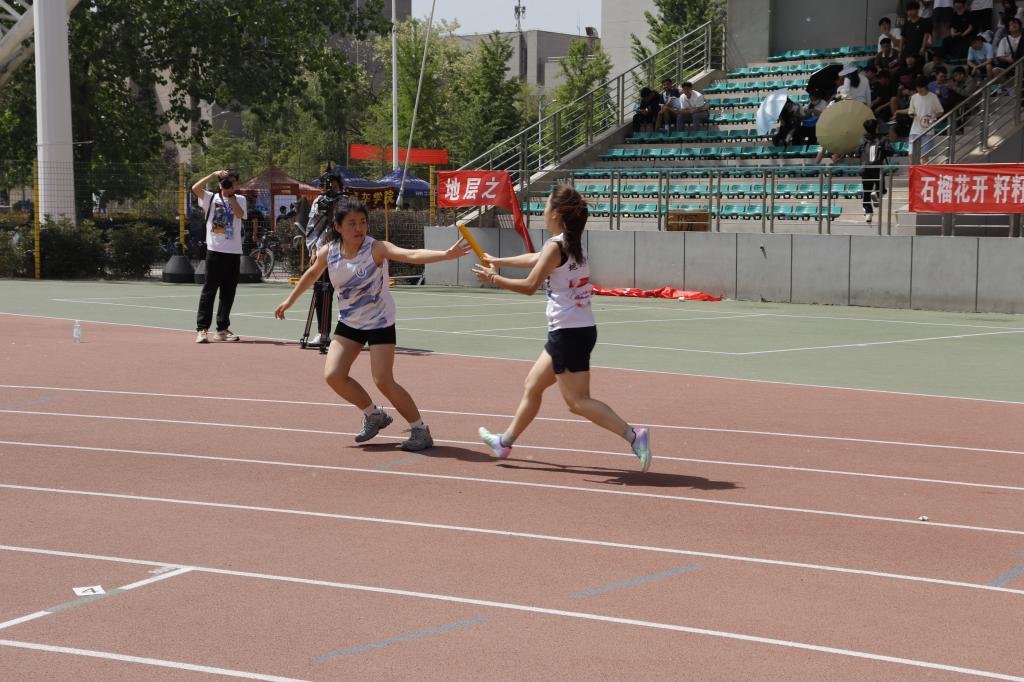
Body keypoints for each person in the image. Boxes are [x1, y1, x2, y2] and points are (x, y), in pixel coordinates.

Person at [471, 184, 651, 473]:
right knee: (533, 385)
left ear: (555, 213)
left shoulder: (558, 246)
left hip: (568, 333)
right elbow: (536, 259)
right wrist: (499, 261)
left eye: (545, 206)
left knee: (578, 402)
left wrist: (494, 278)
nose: (542, 211)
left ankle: (634, 436)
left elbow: (530, 285)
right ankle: (504, 442)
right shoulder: (570, 243)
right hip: (576, 329)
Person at [274, 198, 471, 451]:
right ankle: (373, 414)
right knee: (334, 376)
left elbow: (410, 255)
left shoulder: (375, 248)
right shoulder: (329, 252)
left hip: (379, 321)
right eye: (352, 223)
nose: (359, 228)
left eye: (363, 222)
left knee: (383, 380)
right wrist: (289, 301)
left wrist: (445, 255)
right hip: (350, 322)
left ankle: (420, 429)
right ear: (338, 227)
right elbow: (312, 273)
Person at [192, 169, 247, 344]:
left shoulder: (240, 199)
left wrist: (231, 197)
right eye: (226, 181)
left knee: (228, 293)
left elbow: (240, 215)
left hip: (234, 252)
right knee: (209, 291)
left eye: (232, 181)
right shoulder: (210, 198)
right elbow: (195, 188)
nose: (229, 184)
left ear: (237, 184)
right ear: (220, 183)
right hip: (215, 251)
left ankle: (222, 329)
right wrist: (213, 175)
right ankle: (202, 329)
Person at [304, 173, 346, 346]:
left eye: (334, 186)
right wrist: (313, 251)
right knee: (321, 292)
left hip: (344, 253)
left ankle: (350, 334)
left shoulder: (345, 202)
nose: (331, 190)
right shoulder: (318, 202)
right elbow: (312, 228)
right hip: (322, 253)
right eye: (327, 186)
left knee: (348, 294)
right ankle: (323, 333)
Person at [856, 119, 893, 224]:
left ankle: (868, 213)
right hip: (877, 168)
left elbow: (857, 153)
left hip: (865, 168)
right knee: (882, 189)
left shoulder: (862, 140)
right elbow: (890, 151)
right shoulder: (882, 139)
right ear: (876, 128)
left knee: (866, 191)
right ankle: (876, 195)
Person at [904, 76, 946, 160]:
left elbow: (940, 111)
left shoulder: (933, 97)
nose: (919, 89)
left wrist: (933, 116)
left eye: (920, 87)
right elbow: (910, 111)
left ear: (925, 86)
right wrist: (911, 114)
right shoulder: (914, 97)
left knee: (924, 156)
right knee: (911, 155)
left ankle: (923, 169)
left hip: (928, 131)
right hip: (915, 130)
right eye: (917, 87)